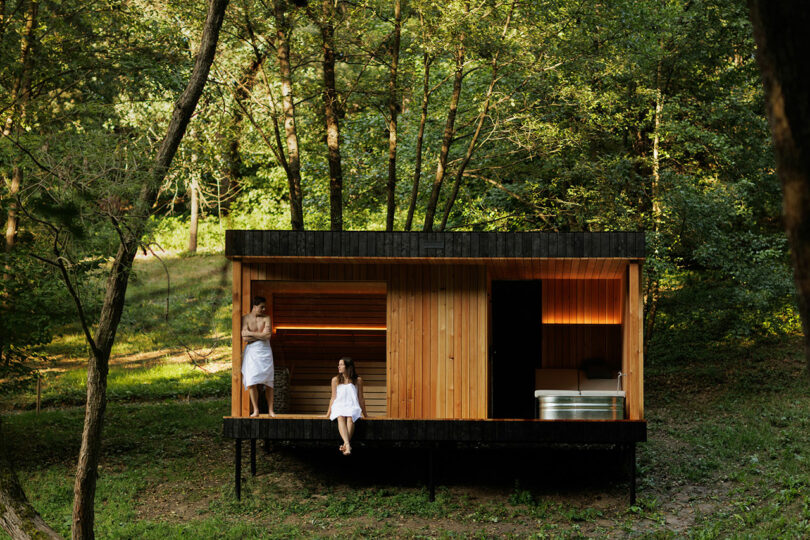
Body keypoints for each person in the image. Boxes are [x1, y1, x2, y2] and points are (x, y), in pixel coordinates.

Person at [325, 357, 367, 455]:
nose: (338, 366)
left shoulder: (358, 380)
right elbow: (333, 397)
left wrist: (365, 414)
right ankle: (347, 445)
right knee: (340, 416)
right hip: (339, 405)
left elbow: (360, 398)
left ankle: (345, 444)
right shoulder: (335, 380)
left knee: (350, 417)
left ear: (349, 367)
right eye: (338, 364)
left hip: (352, 405)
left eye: (341, 364)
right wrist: (328, 414)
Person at [241, 296, 275, 417]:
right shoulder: (245, 318)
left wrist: (250, 333)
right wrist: (261, 334)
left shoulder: (267, 318)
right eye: (262, 307)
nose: (264, 309)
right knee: (252, 381)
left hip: (265, 350)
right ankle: (256, 410)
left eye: (264, 307)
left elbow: (267, 336)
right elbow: (244, 338)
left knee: (269, 381)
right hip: (252, 352)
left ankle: (271, 410)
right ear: (254, 307)